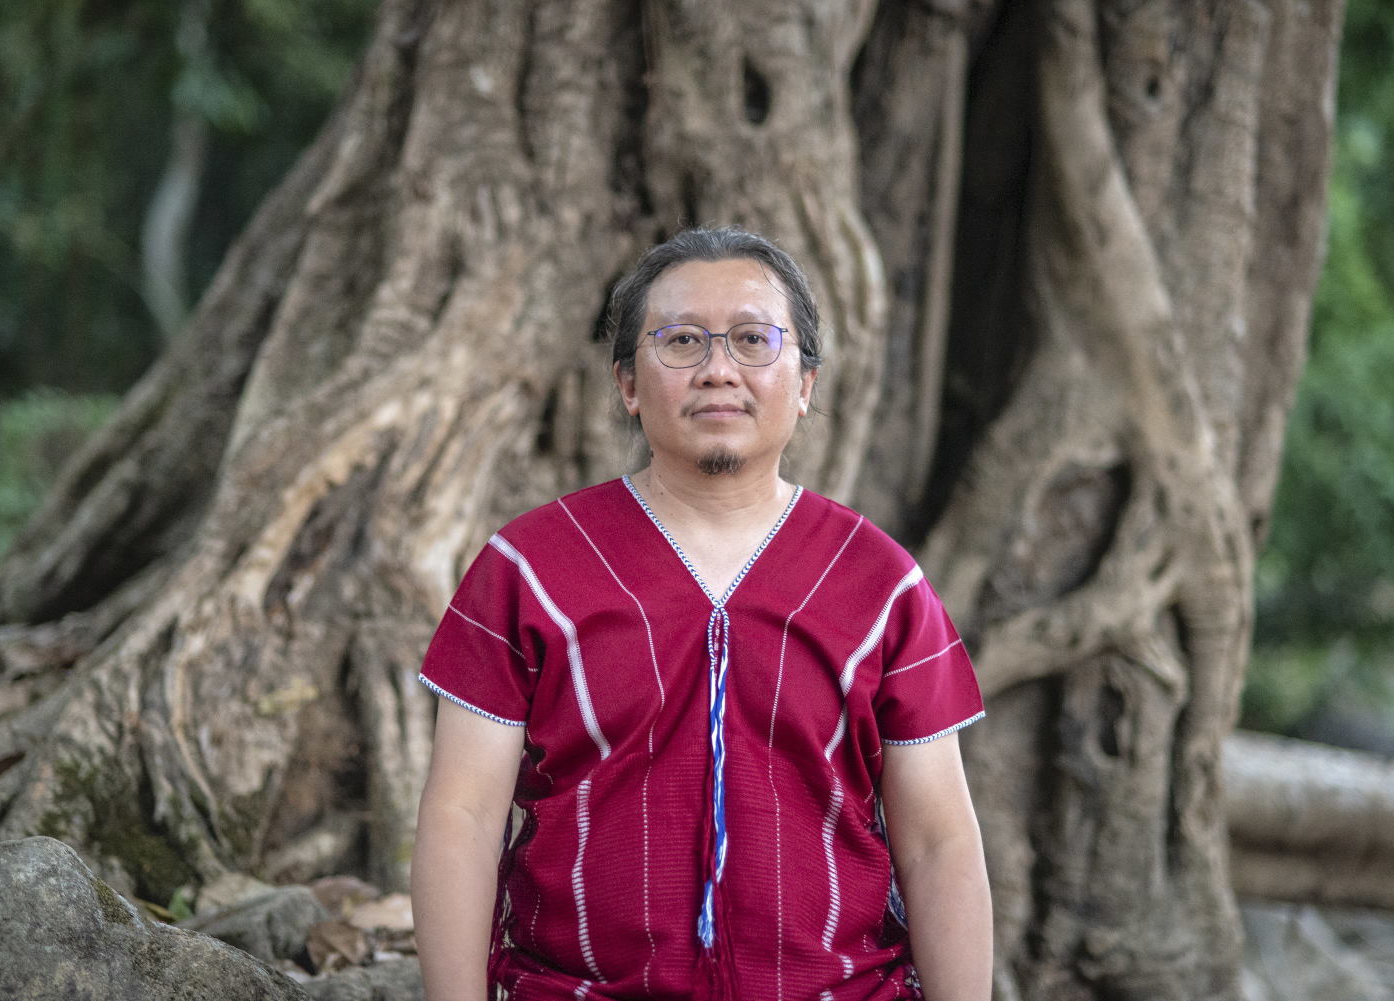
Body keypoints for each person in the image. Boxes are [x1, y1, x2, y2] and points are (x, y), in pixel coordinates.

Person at [412, 227, 991, 1001]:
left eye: (754, 339)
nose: (719, 369)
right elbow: (463, 816)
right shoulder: (529, 570)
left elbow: (937, 841)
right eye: (681, 340)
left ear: (807, 381)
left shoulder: (882, 584)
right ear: (626, 383)